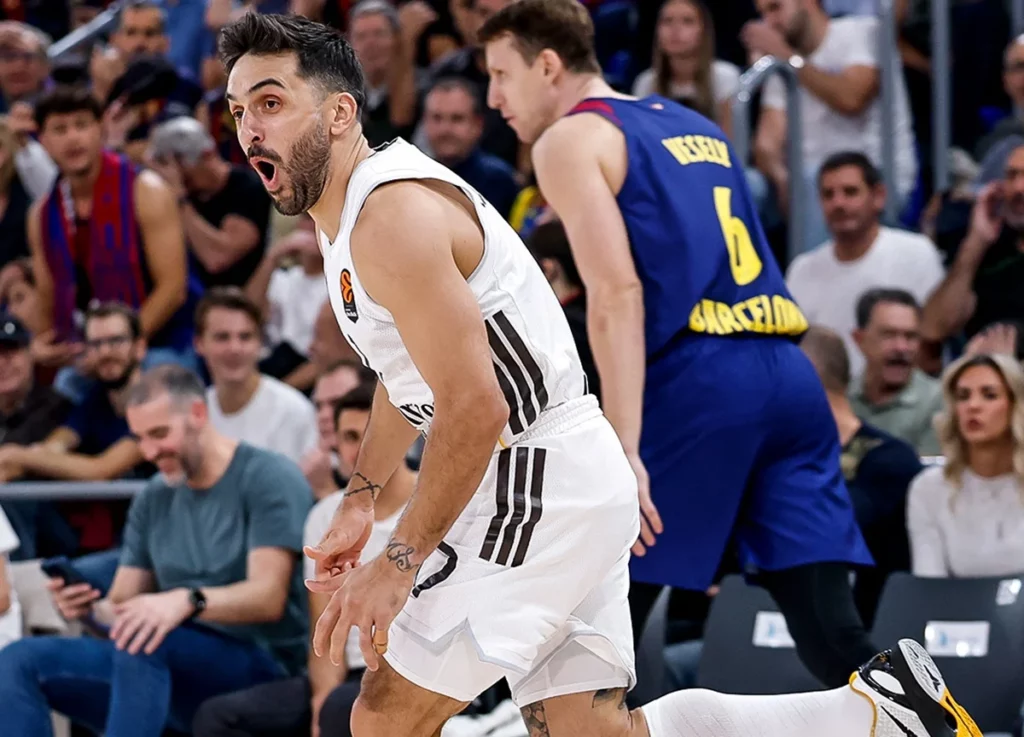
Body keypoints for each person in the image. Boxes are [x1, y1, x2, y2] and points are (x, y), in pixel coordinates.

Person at [220, 11, 980, 737]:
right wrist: (361, 495)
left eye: (271, 102)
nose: (250, 126)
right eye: (238, 110)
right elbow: (405, 369)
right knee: (590, 728)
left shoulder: (393, 214)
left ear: (341, 113)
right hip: (577, 466)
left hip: (537, 473)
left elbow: (479, 404)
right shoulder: (349, 218)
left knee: (382, 717)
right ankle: (868, 714)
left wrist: (399, 558)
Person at [480, 0, 876, 690]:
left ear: (547, 66)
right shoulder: (693, 124)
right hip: (788, 373)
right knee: (831, 633)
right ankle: (942, 726)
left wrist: (625, 448)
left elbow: (617, 294)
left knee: (596, 630)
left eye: (500, 74)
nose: (493, 98)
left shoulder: (568, 140)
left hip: (700, 382)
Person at [0, 363, 311, 737]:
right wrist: (88, 611)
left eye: (160, 434)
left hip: (261, 662)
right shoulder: (154, 496)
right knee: (18, 659)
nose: (149, 452)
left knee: (147, 637)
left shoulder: (268, 476)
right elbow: (119, 609)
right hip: (159, 659)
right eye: (139, 438)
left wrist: (187, 601)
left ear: (198, 414)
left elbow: (268, 597)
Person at [907, 353, 1024, 578]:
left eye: (989, 395)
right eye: (963, 396)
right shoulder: (929, 489)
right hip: (955, 602)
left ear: (1015, 406)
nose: (973, 406)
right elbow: (929, 584)